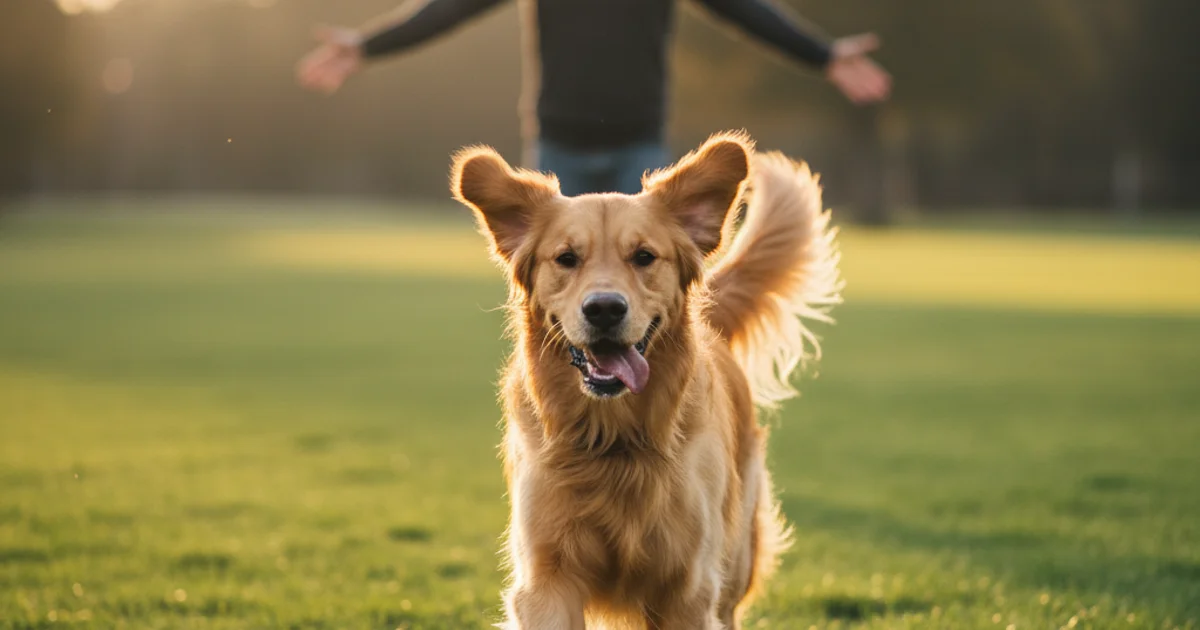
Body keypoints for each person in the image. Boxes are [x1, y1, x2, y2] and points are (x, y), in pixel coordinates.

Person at [297, 0, 891, 196]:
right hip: (560, 150)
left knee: (651, 300)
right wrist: (367, 46)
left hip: (640, 150)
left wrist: (824, 56)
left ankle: (654, 442)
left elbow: (744, 10)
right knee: (550, 302)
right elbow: (451, 8)